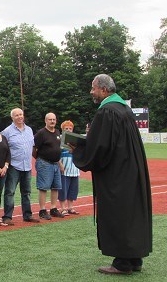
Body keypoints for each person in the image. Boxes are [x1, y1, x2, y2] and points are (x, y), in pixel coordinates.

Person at [71, 74, 152, 275]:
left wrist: (78, 151)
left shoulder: (106, 111)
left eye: (93, 88)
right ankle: (134, 258)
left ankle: (122, 263)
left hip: (116, 174)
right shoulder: (124, 109)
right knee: (130, 213)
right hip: (131, 171)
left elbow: (100, 148)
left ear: (104, 90)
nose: (92, 92)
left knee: (118, 214)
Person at [1, 108, 39, 225]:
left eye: (21, 114)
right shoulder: (7, 132)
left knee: (26, 192)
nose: (19, 117)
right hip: (14, 166)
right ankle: (7, 216)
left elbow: (32, 147)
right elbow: (2, 148)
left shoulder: (29, 130)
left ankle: (27, 215)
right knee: (10, 192)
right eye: (16, 115)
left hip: (27, 166)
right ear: (12, 118)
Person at [33, 112, 65, 220]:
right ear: (45, 121)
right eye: (50, 119)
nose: (52, 121)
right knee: (43, 187)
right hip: (44, 163)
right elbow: (34, 148)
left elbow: (57, 148)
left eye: (54, 119)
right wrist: (40, 160)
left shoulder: (57, 131)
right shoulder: (41, 133)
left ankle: (53, 208)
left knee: (55, 187)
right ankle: (42, 210)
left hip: (55, 163)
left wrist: (60, 163)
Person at [57, 120, 80, 216]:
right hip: (64, 168)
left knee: (73, 189)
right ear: (62, 129)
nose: (68, 130)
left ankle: (70, 207)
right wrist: (60, 164)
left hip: (74, 168)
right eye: (66, 128)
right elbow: (56, 153)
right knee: (63, 188)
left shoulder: (76, 140)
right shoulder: (59, 139)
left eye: (70, 128)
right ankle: (63, 208)